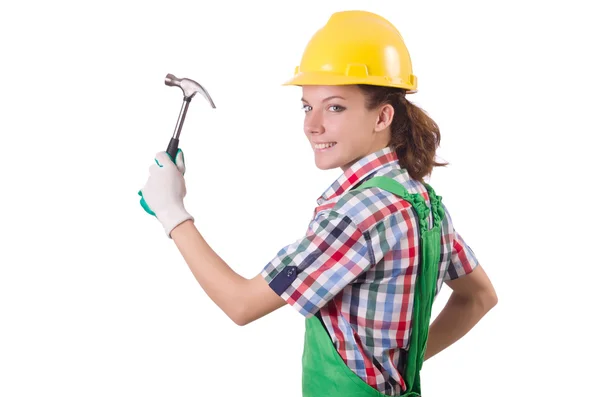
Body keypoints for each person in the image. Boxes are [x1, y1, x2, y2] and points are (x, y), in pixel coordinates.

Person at [139, 10, 498, 397]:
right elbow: (479, 297)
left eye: (335, 106)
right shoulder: (423, 202)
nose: (312, 126)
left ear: (383, 116)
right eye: (308, 106)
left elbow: (240, 304)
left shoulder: (358, 214)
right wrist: (392, 368)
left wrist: (172, 212)